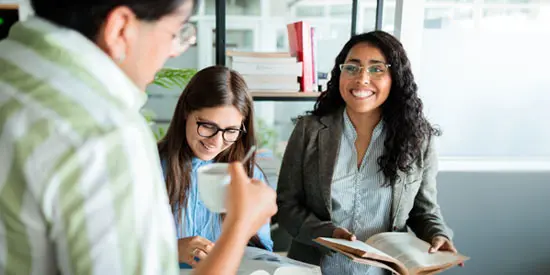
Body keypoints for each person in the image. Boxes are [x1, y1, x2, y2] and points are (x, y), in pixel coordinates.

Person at [0, 1, 277, 274]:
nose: (174, 51)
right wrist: (239, 228)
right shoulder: (104, 133)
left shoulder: (11, 73)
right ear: (120, 28)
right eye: (175, 34)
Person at [276, 31, 460, 275]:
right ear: (340, 74)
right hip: (314, 269)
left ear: (395, 77)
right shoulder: (309, 130)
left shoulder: (417, 139)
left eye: (376, 69)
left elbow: (424, 210)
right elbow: (287, 205)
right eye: (352, 67)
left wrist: (438, 234)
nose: (362, 79)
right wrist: (327, 233)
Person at [157, 65, 273, 268]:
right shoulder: (150, 168)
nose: (216, 142)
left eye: (230, 130)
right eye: (208, 126)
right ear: (186, 112)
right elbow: (121, 247)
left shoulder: (250, 176)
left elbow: (262, 253)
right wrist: (171, 249)